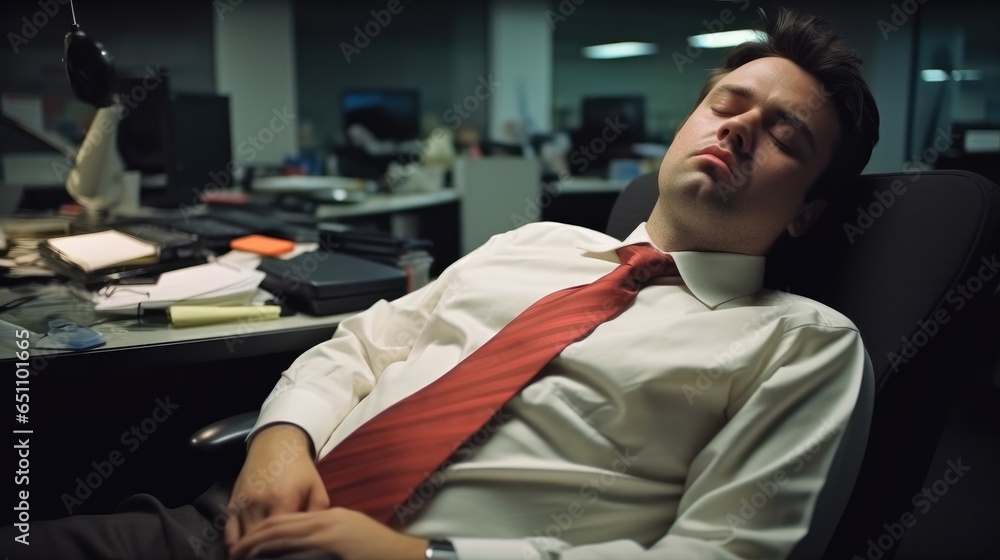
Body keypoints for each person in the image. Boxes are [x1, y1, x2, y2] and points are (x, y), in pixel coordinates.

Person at [3, 7, 879, 560]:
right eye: (729, 102)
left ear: (807, 210)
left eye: (785, 136)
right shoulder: (536, 242)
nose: (739, 129)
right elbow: (365, 341)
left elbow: (715, 554)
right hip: (230, 525)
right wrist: (281, 438)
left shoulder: (801, 345)